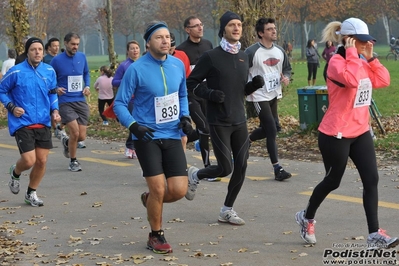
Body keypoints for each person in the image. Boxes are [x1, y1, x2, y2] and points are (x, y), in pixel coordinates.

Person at [295, 18, 399, 249]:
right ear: (348, 40)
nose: (366, 44)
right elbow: (351, 81)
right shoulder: (336, 62)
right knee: (333, 181)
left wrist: (370, 58)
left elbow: (383, 80)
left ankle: (374, 234)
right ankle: (307, 216)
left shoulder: (361, 61)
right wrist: (353, 54)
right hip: (335, 134)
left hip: (360, 131)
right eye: (361, 41)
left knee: (371, 180)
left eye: (367, 40)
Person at [113, 21, 192, 254]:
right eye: (159, 38)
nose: (165, 41)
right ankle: (155, 235)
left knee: (178, 190)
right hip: (146, 135)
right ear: (148, 42)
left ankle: (149, 200)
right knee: (158, 189)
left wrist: (185, 116)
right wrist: (133, 126)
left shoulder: (177, 65)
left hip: (172, 134)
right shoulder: (136, 69)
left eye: (168, 37)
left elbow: (182, 94)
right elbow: (119, 103)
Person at [186, 11, 264, 225]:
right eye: (232, 25)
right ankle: (195, 175)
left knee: (241, 166)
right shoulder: (211, 56)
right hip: (218, 121)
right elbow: (191, 84)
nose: (236, 28)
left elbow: (239, 90)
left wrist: (253, 86)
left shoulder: (244, 56)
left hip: (239, 120)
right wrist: (209, 94)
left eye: (239, 24)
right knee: (225, 168)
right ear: (223, 29)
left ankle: (227, 210)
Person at [0, 37, 60, 206]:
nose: (37, 52)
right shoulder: (16, 71)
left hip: (43, 121)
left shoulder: (49, 71)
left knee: (41, 161)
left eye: (40, 49)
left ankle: (31, 193)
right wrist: (11, 107)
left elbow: (52, 93)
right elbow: (1, 90)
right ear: (27, 52)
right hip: (22, 121)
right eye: (33, 49)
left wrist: (55, 111)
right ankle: (15, 172)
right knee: (29, 160)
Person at [245, 17, 292, 182]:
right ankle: (277, 168)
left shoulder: (280, 51)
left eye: (274, 28)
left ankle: (247, 140)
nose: (274, 31)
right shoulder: (251, 52)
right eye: (270, 29)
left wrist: (285, 77)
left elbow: (287, 69)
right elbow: (242, 72)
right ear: (260, 33)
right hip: (258, 96)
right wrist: (248, 86)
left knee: (271, 129)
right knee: (271, 129)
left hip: (273, 94)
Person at [176, 16, 215, 179]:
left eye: (201, 24)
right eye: (196, 26)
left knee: (207, 129)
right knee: (204, 128)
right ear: (187, 29)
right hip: (191, 94)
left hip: (207, 92)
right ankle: (207, 168)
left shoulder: (208, 44)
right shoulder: (181, 50)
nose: (200, 28)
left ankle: (177, 143)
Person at [50, 32, 91, 172]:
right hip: (65, 100)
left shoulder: (82, 56)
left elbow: (86, 73)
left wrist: (87, 86)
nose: (75, 47)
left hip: (80, 99)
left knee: (81, 136)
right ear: (66, 43)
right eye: (73, 44)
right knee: (74, 132)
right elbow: (50, 78)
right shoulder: (56, 60)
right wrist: (56, 88)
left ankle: (67, 142)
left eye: (77, 44)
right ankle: (73, 161)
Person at [111, 40, 141, 159]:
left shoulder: (144, 63)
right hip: (130, 100)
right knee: (134, 122)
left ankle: (137, 146)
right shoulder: (124, 65)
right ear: (128, 51)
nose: (135, 51)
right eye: (132, 48)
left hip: (142, 99)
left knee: (141, 122)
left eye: (137, 48)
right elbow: (114, 81)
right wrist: (127, 81)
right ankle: (130, 146)